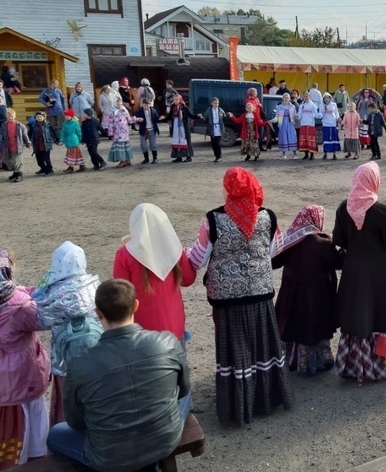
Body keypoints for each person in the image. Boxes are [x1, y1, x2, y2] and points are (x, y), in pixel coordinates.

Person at [46, 279, 192, 471]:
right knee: (186, 396)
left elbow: (75, 421)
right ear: (136, 305)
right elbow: (184, 390)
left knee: (56, 432)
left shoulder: (80, 364)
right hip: (164, 440)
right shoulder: (166, 341)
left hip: (108, 456)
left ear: (97, 313)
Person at [188, 167, 292, 425]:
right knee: (262, 346)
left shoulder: (213, 219)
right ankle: (265, 399)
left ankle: (238, 404)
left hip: (227, 298)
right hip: (259, 294)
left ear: (228, 189)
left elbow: (198, 259)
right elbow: (275, 250)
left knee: (235, 351)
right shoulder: (268, 217)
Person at [333, 162, 386, 383]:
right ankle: (376, 366)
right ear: (374, 181)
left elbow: (338, 240)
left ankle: (351, 365)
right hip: (377, 271)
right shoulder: (382, 211)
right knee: (377, 314)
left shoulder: (344, 207)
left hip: (352, 270)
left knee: (356, 314)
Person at [34, 241, 101, 426]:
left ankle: (65, 431)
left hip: (64, 359)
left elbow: (41, 320)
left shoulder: (50, 291)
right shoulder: (94, 285)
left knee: (68, 398)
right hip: (94, 356)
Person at [272, 205, 343, 374]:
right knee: (314, 327)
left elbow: (274, 261)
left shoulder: (291, 241)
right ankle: (317, 361)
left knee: (295, 324)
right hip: (317, 296)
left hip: (292, 293)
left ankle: (292, 359)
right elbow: (339, 262)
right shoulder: (323, 244)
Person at [113, 204, 196, 342]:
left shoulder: (124, 255)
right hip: (174, 327)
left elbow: (120, 295)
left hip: (142, 332)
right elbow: (188, 279)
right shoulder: (173, 248)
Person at [0, 246, 51, 468]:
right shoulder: (19, 306)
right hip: (24, 375)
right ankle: (35, 456)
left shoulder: (17, 299)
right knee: (32, 417)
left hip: (4, 383)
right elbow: (45, 319)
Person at [0, 107, 32, 182]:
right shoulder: (4, 125)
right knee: (7, 160)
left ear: (15, 116)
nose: (10, 118)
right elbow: (1, 134)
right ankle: (15, 172)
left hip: (17, 145)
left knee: (17, 160)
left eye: (11, 116)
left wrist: (28, 143)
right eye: (8, 116)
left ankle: (19, 174)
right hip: (7, 146)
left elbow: (25, 135)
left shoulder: (20, 126)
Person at [108, 97, 141, 168]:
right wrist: (110, 131)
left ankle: (126, 160)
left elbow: (129, 120)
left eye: (120, 103)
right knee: (120, 146)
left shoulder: (124, 110)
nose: (119, 105)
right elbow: (110, 122)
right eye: (117, 103)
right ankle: (123, 160)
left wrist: (136, 119)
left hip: (124, 131)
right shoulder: (112, 111)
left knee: (124, 145)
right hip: (117, 132)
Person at [167, 95, 198, 163]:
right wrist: (162, 118)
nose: (175, 101)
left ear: (180, 100)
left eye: (176, 100)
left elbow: (190, 115)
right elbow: (169, 116)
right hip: (175, 126)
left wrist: (197, 116)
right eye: (174, 100)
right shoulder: (173, 107)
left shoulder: (184, 107)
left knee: (185, 140)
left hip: (183, 127)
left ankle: (188, 157)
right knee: (177, 140)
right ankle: (178, 157)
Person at [28, 111, 58, 175]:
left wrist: (57, 141)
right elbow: (30, 134)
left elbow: (53, 133)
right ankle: (43, 168)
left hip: (46, 144)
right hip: (37, 145)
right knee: (39, 159)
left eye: (40, 117)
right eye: (37, 117)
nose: (39, 118)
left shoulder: (48, 125)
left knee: (46, 158)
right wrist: (28, 142)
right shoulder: (33, 126)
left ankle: (49, 169)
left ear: (44, 117)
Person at [135, 95, 161, 164]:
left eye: (147, 105)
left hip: (152, 129)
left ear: (149, 104)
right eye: (145, 105)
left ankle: (155, 158)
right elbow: (136, 119)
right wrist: (138, 120)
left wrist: (160, 118)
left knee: (153, 144)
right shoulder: (140, 111)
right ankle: (146, 158)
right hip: (143, 130)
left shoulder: (153, 111)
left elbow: (156, 119)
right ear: (142, 104)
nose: (146, 106)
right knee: (143, 145)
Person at [201, 97, 227, 163]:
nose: (216, 104)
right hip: (212, 128)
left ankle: (219, 157)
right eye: (215, 103)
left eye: (217, 103)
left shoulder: (220, 110)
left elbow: (224, 117)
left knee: (218, 143)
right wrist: (201, 117)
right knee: (213, 143)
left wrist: (228, 116)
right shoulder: (209, 110)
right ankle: (216, 156)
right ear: (212, 103)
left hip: (219, 127)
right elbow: (206, 118)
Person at [60, 108, 86, 173]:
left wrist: (80, 140)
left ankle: (71, 167)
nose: (66, 117)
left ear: (71, 116)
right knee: (76, 154)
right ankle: (82, 166)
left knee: (72, 154)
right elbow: (63, 132)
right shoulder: (64, 124)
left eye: (67, 116)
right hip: (68, 140)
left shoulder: (75, 123)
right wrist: (61, 140)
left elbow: (79, 132)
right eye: (65, 116)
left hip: (74, 140)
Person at [276, 93, 298, 159]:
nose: (286, 99)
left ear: (289, 98)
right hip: (282, 124)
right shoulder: (279, 107)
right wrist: (271, 120)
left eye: (287, 97)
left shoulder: (292, 106)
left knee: (292, 137)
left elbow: (295, 115)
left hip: (290, 123)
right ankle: (283, 154)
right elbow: (277, 116)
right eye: (285, 97)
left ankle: (294, 154)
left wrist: (296, 116)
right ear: (283, 98)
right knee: (283, 137)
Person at [298, 92, 320, 160]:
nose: (306, 97)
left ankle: (312, 154)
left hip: (310, 124)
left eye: (307, 96)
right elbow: (299, 115)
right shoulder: (302, 105)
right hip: (303, 124)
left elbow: (316, 114)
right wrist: (296, 116)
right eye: (305, 96)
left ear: (310, 97)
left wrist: (321, 115)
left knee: (311, 140)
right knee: (304, 139)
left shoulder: (312, 105)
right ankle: (306, 154)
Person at [320, 92, 341, 160]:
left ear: (330, 98)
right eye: (325, 98)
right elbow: (320, 113)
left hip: (333, 124)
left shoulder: (333, 104)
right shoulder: (321, 105)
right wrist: (319, 115)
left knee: (333, 138)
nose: (326, 99)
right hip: (325, 124)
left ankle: (334, 154)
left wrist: (338, 118)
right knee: (326, 138)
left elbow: (336, 113)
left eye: (328, 98)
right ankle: (325, 153)